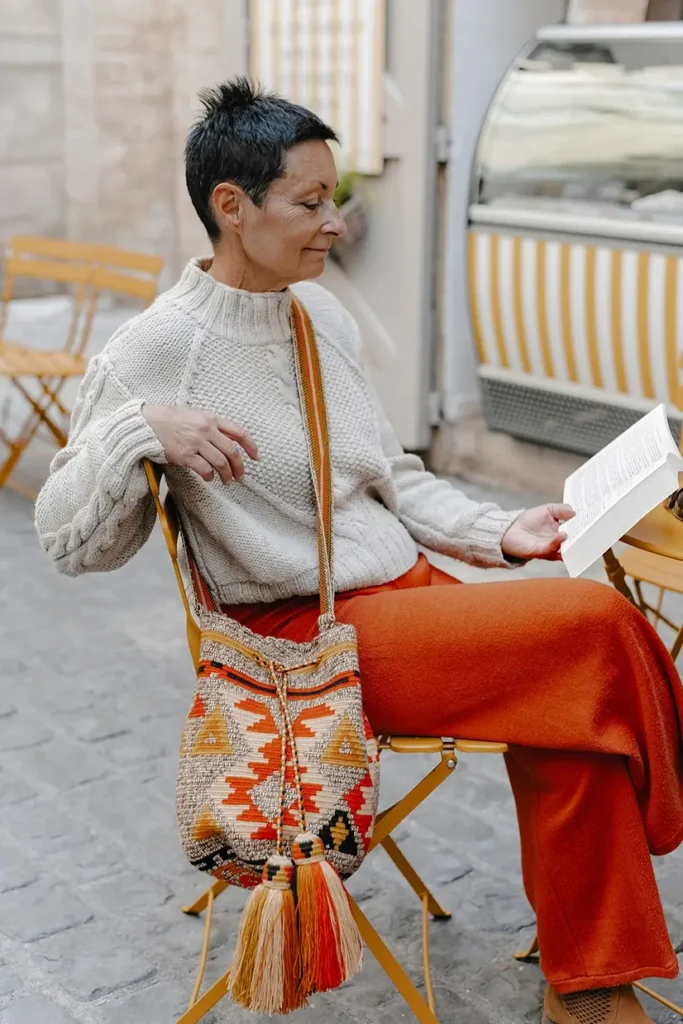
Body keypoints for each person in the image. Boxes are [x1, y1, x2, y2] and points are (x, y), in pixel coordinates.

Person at [35, 78, 683, 1024]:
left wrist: (498, 532)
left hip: (405, 601)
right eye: (309, 202)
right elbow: (64, 540)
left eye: (331, 199)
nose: (333, 223)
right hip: (305, 645)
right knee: (588, 620)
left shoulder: (319, 317)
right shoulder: (154, 351)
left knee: (567, 700)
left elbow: (392, 476)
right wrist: (138, 430)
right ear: (232, 205)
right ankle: (650, 840)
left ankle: (589, 986)